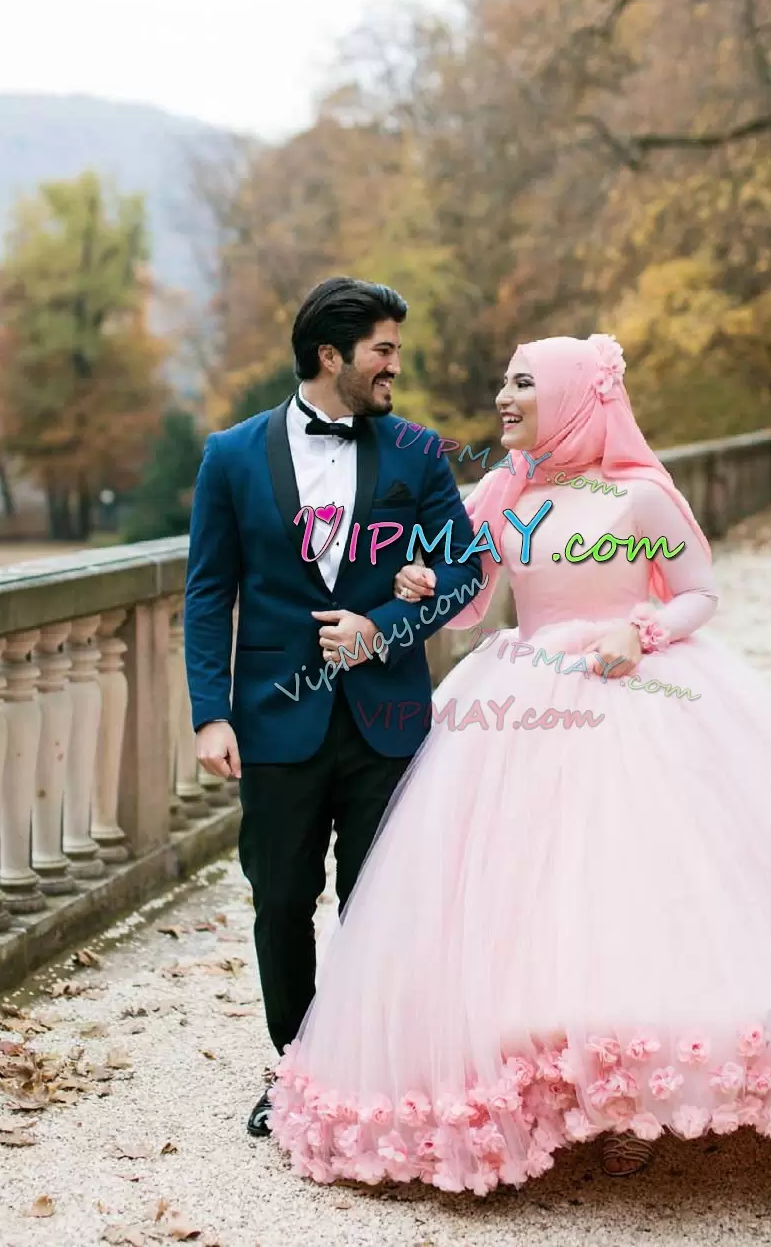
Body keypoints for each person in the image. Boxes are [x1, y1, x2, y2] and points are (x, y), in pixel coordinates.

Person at [268, 333, 771, 1193]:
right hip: (516, 702)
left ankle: (640, 1086)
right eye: (505, 378)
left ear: (571, 396)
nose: (504, 394)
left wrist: (637, 630)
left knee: (639, 883)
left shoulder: (639, 497)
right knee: (520, 894)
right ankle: (534, 1087)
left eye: (523, 382)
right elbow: (474, 609)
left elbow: (699, 593)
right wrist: (425, 588)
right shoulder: (501, 489)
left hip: (637, 696)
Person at [183, 276, 483, 1139]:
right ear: (330, 355)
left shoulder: (421, 454)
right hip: (274, 716)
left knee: (376, 897)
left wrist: (383, 625)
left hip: (386, 716)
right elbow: (209, 595)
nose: (397, 363)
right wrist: (212, 712)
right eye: (383, 349)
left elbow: (465, 569)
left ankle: (369, 1066)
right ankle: (297, 1068)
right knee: (279, 897)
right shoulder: (230, 456)